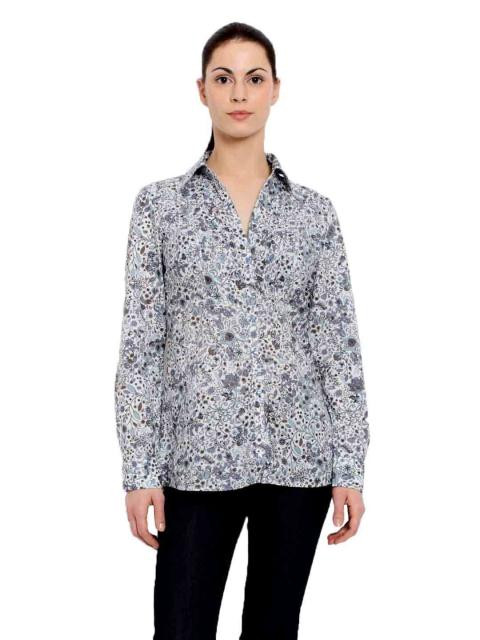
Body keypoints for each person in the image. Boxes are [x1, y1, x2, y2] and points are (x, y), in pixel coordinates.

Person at [114, 21, 371, 640]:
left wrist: (350, 465)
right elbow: (142, 342)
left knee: (274, 630)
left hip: (299, 461)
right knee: (181, 628)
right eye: (224, 78)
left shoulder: (314, 213)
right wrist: (140, 469)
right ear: (201, 90)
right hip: (196, 460)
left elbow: (338, 343)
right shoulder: (160, 207)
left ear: (275, 89)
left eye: (254, 79)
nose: (239, 93)